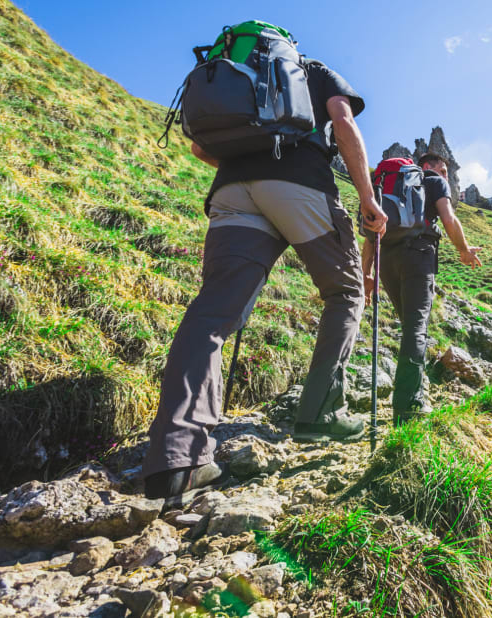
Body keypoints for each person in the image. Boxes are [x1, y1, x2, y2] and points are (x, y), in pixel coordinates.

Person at [142, 54, 388, 504]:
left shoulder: (233, 74)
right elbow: (343, 119)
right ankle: (320, 413)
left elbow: (199, 147)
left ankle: (176, 459)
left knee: (214, 311)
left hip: (232, 189)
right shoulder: (314, 70)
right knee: (347, 292)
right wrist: (368, 196)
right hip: (301, 183)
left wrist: (249, 165)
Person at [364, 153, 482, 425]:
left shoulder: (385, 186)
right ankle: (409, 408)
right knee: (416, 328)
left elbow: (371, 235)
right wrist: (464, 250)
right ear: (425, 167)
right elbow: (449, 218)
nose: (444, 175)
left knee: (409, 326)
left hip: (388, 260)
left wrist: (366, 274)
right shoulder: (433, 183)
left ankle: (414, 389)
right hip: (418, 255)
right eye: (441, 169)